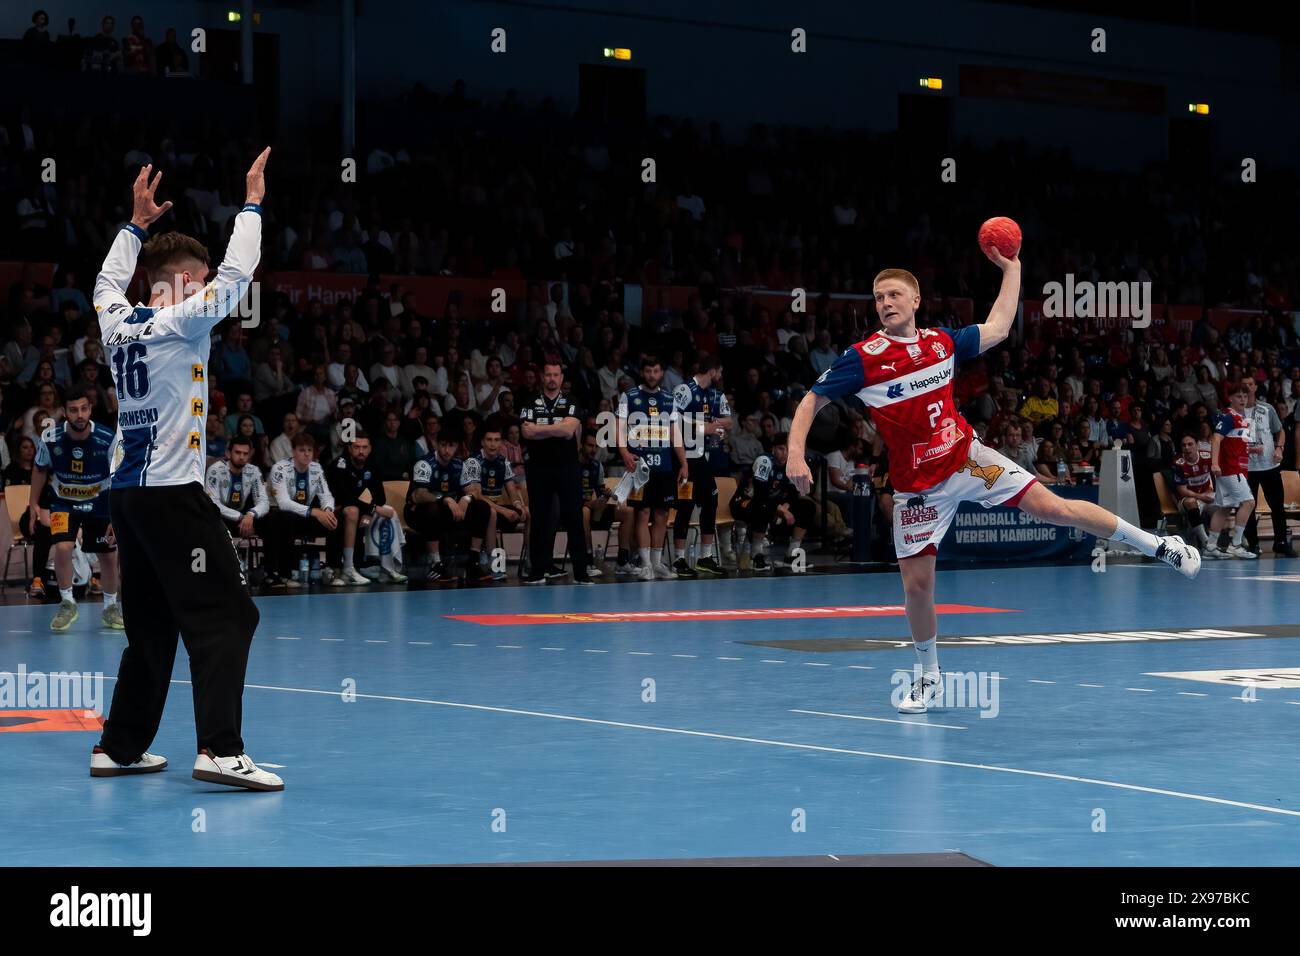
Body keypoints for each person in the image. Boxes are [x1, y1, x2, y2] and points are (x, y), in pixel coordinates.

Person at [786, 259, 1199, 716]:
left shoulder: (941, 342)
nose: (885, 303)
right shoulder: (865, 357)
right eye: (879, 298)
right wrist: (795, 454)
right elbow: (812, 398)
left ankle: (1159, 545)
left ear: (915, 301)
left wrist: (1012, 266)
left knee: (1054, 508)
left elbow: (1000, 325)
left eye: (893, 295)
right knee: (918, 588)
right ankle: (929, 676)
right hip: (918, 488)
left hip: (968, 458)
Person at [91, 150, 282, 790]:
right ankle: (220, 750)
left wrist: (134, 226)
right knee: (230, 616)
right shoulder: (179, 321)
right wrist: (251, 204)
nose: (206, 291)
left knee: (151, 626)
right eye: (196, 281)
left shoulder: (116, 320)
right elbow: (238, 275)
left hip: (127, 496)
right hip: (173, 495)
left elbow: (104, 286)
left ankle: (119, 747)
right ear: (174, 285)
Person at [29, 387, 123, 631]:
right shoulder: (50, 438)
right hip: (63, 502)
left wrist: (117, 514)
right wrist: (33, 505)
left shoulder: (107, 437)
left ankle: (111, 608)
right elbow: (39, 469)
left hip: (101, 501)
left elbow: (119, 476)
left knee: (109, 556)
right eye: (73, 410)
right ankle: (68, 603)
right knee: (62, 547)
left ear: (90, 410)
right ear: (65, 412)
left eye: (84, 409)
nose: (79, 415)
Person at [520, 361, 592, 584]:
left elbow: (569, 430)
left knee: (574, 518)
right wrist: (556, 429)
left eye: (555, 375)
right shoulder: (530, 402)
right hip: (539, 468)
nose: (551, 378)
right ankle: (538, 571)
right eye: (548, 374)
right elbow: (526, 433)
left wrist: (540, 430)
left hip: (567, 468)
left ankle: (581, 572)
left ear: (561, 378)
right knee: (539, 519)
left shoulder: (571, 401)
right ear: (542, 377)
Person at [617, 355, 687, 581]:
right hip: (640, 467)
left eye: (656, 371)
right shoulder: (629, 396)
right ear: (642, 372)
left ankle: (657, 565)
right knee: (642, 513)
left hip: (665, 468)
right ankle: (645, 565)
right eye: (648, 371)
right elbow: (618, 429)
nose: (652, 375)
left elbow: (676, 434)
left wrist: (684, 463)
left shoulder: (669, 399)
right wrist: (625, 453)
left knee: (661, 515)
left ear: (662, 373)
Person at [668, 354, 732, 578]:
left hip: (702, 457)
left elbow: (728, 421)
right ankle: (678, 559)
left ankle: (705, 558)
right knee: (685, 506)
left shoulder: (715, 394)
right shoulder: (684, 390)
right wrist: (704, 426)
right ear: (712, 370)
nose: (721, 376)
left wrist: (713, 425)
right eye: (720, 371)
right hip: (683, 457)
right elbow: (671, 421)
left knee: (711, 501)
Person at [1206, 382, 1258, 560]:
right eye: (1238, 396)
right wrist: (1214, 463)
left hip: (1235, 469)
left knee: (1225, 507)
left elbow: (1233, 444)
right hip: (1229, 469)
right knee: (1249, 503)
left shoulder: (1240, 418)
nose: (1242, 399)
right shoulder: (1228, 417)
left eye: (1245, 396)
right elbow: (1216, 439)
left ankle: (1210, 547)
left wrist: (1252, 450)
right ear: (1230, 398)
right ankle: (1236, 544)